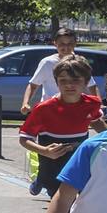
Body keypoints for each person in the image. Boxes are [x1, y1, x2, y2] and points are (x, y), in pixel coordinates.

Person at [18, 55, 107, 200]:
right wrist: (45, 151)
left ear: (85, 82)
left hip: (79, 158)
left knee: (78, 199)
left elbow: (95, 121)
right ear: (56, 83)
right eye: (63, 80)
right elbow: (24, 138)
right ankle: (41, 179)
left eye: (75, 80)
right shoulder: (43, 109)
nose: (69, 85)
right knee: (59, 198)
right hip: (52, 160)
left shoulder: (92, 103)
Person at [22, 28, 89, 195]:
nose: (66, 48)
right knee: (50, 161)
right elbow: (33, 84)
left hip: (74, 116)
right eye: (62, 45)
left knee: (70, 175)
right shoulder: (47, 63)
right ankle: (43, 178)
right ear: (55, 45)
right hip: (50, 118)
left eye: (69, 44)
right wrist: (26, 103)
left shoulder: (78, 64)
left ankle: (51, 183)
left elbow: (92, 86)